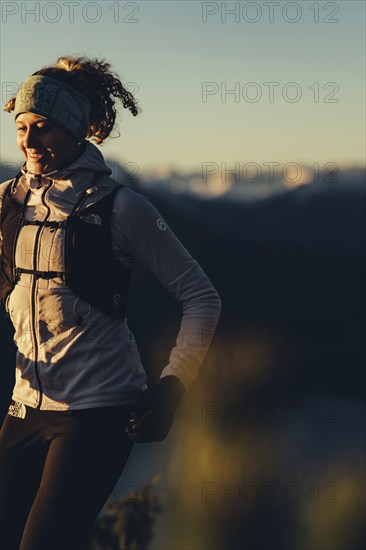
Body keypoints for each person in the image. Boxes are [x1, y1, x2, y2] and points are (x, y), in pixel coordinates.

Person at [0, 55, 221, 549]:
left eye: (45, 127)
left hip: (97, 413)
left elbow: (201, 297)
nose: (30, 142)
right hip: (23, 407)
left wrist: (172, 387)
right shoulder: (7, 202)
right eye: (21, 127)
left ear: (78, 131)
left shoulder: (121, 207)